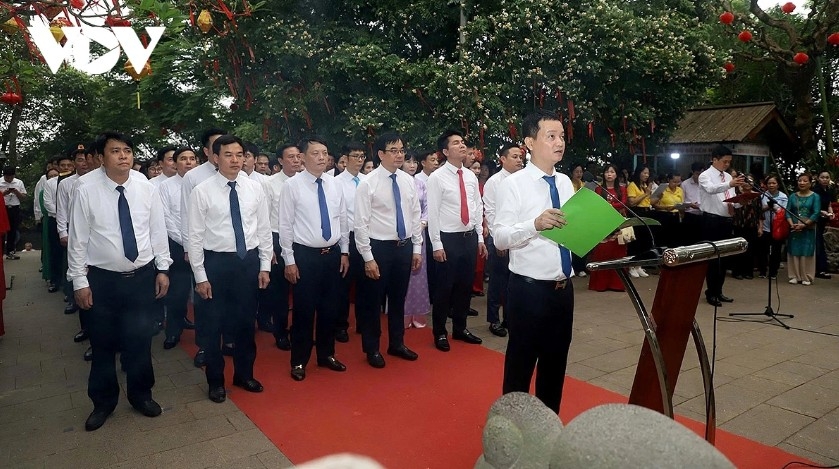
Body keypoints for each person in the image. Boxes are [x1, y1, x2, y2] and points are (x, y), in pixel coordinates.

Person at [67, 131, 172, 431]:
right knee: (102, 343)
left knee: (140, 340)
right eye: (116, 151)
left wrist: (162, 268)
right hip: (101, 280)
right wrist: (79, 281)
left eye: (128, 150)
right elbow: (78, 239)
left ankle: (141, 395)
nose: (124, 156)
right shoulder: (85, 189)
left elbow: (157, 229)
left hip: (140, 277)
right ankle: (103, 402)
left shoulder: (145, 186)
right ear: (101, 158)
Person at [493, 110, 575, 414]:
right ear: (529, 142)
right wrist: (534, 225)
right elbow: (500, 237)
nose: (559, 142)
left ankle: (547, 429)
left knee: (556, 366)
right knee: (520, 365)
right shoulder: (513, 185)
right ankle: (511, 431)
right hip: (528, 291)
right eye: (550, 136)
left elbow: (571, 230)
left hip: (563, 289)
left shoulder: (565, 182)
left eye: (562, 136)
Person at [188, 135, 271, 403]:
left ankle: (244, 374)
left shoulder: (254, 188)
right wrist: (201, 276)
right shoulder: (202, 191)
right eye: (228, 155)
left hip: (247, 263)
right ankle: (216, 381)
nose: (235, 160)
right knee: (213, 326)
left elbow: (263, 229)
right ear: (214, 158)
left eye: (240, 154)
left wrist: (264, 265)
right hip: (215, 264)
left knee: (246, 323)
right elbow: (194, 237)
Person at [278, 136, 350, 381]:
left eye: (325, 153)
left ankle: (326, 354)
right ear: (303, 158)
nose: (322, 158)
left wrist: (344, 251)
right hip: (305, 257)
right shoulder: (292, 186)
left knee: (330, 309)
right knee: (304, 311)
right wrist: (289, 260)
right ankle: (299, 360)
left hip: (331, 256)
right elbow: (285, 225)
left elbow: (343, 220)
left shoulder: (334, 184)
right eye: (316, 153)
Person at [354, 132, 422, 368]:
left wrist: (416, 248)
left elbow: (415, 215)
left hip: (403, 248)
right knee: (373, 302)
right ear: (381, 154)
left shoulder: (408, 180)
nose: (399, 155)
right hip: (378, 248)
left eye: (401, 150)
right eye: (393, 150)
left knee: (398, 299)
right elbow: (360, 223)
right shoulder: (368, 183)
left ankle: (397, 343)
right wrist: (368, 257)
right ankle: (372, 348)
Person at [426, 130, 486, 352]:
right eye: (456, 143)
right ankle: (440, 332)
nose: (462, 146)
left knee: (464, 286)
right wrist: (437, 244)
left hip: (468, 238)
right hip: (447, 239)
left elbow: (477, 207)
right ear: (445, 151)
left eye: (463, 142)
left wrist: (479, 236)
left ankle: (460, 328)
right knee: (444, 288)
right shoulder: (437, 178)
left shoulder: (470, 176)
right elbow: (432, 213)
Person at [181, 128, 227, 368]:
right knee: (206, 303)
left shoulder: (240, 176)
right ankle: (204, 346)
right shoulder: (194, 178)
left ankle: (228, 341)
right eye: (219, 146)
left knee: (231, 302)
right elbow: (186, 217)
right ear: (208, 151)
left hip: (233, 251)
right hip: (206, 251)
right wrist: (190, 249)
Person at [259, 144, 302, 347]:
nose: (295, 160)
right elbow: (264, 218)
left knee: (303, 290)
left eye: (297, 156)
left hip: (302, 239)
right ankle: (281, 332)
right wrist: (268, 249)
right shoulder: (270, 184)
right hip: (277, 238)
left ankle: (299, 330)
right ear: (280, 161)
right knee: (281, 292)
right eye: (290, 157)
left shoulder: (307, 181)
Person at [158, 147, 199, 349]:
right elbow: (166, 219)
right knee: (177, 292)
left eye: (192, 158)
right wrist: (186, 243)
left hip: (202, 246)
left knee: (202, 292)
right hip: (177, 246)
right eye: (183, 159)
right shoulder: (165, 186)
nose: (188, 162)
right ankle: (173, 331)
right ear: (175, 163)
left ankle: (204, 337)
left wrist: (195, 244)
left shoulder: (202, 184)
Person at [483, 143, 524, 337]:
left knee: (513, 282)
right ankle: (494, 320)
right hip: (500, 238)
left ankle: (510, 318)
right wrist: (498, 240)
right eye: (515, 156)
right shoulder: (494, 182)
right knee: (498, 282)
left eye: (521, 157)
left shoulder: (523, 180)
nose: (519, 160)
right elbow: (490, 212)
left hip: (519, 237)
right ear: (503, 159)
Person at [697, 145, 746, 306]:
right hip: (711, 220)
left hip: (726, 219)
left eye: (729, 162)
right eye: (724, 161)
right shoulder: (705, 176)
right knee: (713, 257)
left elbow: (729, 199)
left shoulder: (727, 177)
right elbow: (711, 190)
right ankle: (711, 292)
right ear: (715, 159)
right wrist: (730, 184)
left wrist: (741, 201)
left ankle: (719, 290)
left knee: (724, 257)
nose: (726, 165)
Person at [333, 142, 367, 342]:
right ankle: (340, 325)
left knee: (366, 283)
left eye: (362, 156)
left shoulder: (368, 181)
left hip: (367, 237)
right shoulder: (336, 183)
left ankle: (364, 322)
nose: (360, 160)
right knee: (343, 285)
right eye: (355, 156)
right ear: (345, 159)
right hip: (346, 238)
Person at [401, 151, 431, 328]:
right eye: (408, 162)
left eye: (414, 162)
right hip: (402, 234)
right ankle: (402, 314)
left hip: (419, 234)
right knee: (403, 274)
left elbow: (427, 207)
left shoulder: (421, 184)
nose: (412, 165)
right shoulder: (396, 182)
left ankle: (418, 314)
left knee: (419, 274)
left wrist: (422, 223)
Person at [588, 164, 628, 292]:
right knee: (602, 252)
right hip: (603, 223)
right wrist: (609, 206)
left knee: (618, 253)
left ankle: (617, 284)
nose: (609, 174)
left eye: (612, 172)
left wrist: (610, 205)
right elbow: (597, 205)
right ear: (603, 174)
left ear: (616, 175)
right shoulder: (599, 189)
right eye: (607, 172)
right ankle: (600, 284)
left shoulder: (622, 189)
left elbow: (624, 203)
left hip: (618, 223)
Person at [786, 173, 821, 285]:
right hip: (794, 227)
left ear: (810, 183)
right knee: (794, 250)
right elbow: (788, 211)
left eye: (805, 181)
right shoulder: (792, 196)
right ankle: (794, 275)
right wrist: (791, 224)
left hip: (808, 227)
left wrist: (804, 225)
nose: (802, 183)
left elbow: (816, 213)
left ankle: (807, 276)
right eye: (800, 180)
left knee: (807, 250)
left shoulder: (815, 196)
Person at [730, 179, 763, 280]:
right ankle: (737, 271)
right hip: (738, 224)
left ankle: (748, 271)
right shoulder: (736, 194)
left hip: (752, 225)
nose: (748, 184)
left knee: (750, 249)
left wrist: (760, 227)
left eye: (751, 182)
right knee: (738, 248)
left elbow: (759, 213)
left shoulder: (756, 196)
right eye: (746, 182)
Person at [757, 174, 788, 280]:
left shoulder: (783, 197)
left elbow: (783, 211)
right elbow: (759, 210)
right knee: (762, 250)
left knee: (776, 251)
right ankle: (762, 270)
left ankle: (773, 272)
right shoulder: (762, 195)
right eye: (769, 183)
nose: (771, 185)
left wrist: (774, 207)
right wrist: (767, 207)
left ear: (778, 184)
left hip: (777, 227)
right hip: (765, 226)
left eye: (774, 183)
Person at [625, 165, 653, 277]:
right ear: (639, 173)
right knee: (635, 241)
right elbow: (632, 202)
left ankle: (639, 265)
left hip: (646, 211)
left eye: (648, 173)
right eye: (645, 173)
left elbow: (647, 200)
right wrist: (646, 193)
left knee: (643, 240)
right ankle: (631, 265)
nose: (647, 175)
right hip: (636, 212)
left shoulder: (644, 186)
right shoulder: (632, 185)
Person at [650, 173, 684, 249]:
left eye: (678, 182)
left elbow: (681, 203)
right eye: (674, 182)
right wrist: (665, 208)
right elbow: (654, 205)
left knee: (675, 240)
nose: (676, 184)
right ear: (668, 180)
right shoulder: (662, 189)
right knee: (664, 239)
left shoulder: (680, 190)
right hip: (664, 215)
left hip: (676, 216)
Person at [812, 170, 836, 279]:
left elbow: (829, 204)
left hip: (823, 221)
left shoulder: (828, 191)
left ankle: (821, 268)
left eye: (827, 177)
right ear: (818, 178)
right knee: (818, 244)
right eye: (822, 177)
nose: (825, 179)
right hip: (815, 220)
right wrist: (822, 211)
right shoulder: (815, 191)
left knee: (820, 243)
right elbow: (812, 206)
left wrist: (831, 213)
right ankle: (819, 269)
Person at [0, 166, 26, 259]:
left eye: (11, 177)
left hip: (14, 207)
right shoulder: (0, 182)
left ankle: (10, 251)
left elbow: (23, 197)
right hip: (3, 208)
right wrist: (4, 193)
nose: (9, 179)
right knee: (2, 230)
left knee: (13, 230)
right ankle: (1, 251)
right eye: (7, 178)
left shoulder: (19, 182)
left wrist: (16, 192)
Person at [568, 163, 587, 276]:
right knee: (572, 243)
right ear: (572, 173)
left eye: (580, 171)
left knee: (583, 242)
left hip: (583, 217)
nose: (579, 174)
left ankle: (581, 267)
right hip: (571, 217)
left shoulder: (585, 185)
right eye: (576, 171)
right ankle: (573, 267)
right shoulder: (568, 184)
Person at [680, 162, 704, 246]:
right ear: (692, 172)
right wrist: (690, 204)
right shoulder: (685, 184)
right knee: (690, 240)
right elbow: (681, 202)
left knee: (702, 241)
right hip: (690, 215)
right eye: (697, 174)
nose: (699, 176)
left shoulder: (705, 184)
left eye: (701, 174)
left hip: (703, 215)